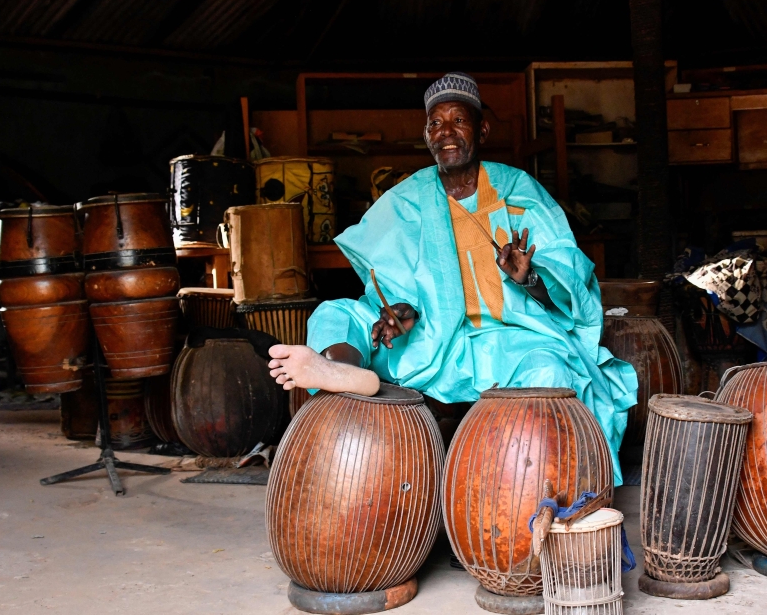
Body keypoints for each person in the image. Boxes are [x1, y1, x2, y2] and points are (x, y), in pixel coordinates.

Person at [268, 72, 638, 483]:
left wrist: (529, 277)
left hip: (511, 339)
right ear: (426, 135)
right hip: (433, 342)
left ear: (481, 129)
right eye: (435, 123)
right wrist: (399, 312)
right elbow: (391, 289)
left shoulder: (517, 190)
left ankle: (528, 481)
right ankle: (342, 372)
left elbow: (572, 296)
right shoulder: (408, 198)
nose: (446, 132)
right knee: (335, 313)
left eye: (457, 121)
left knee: (549, 370)